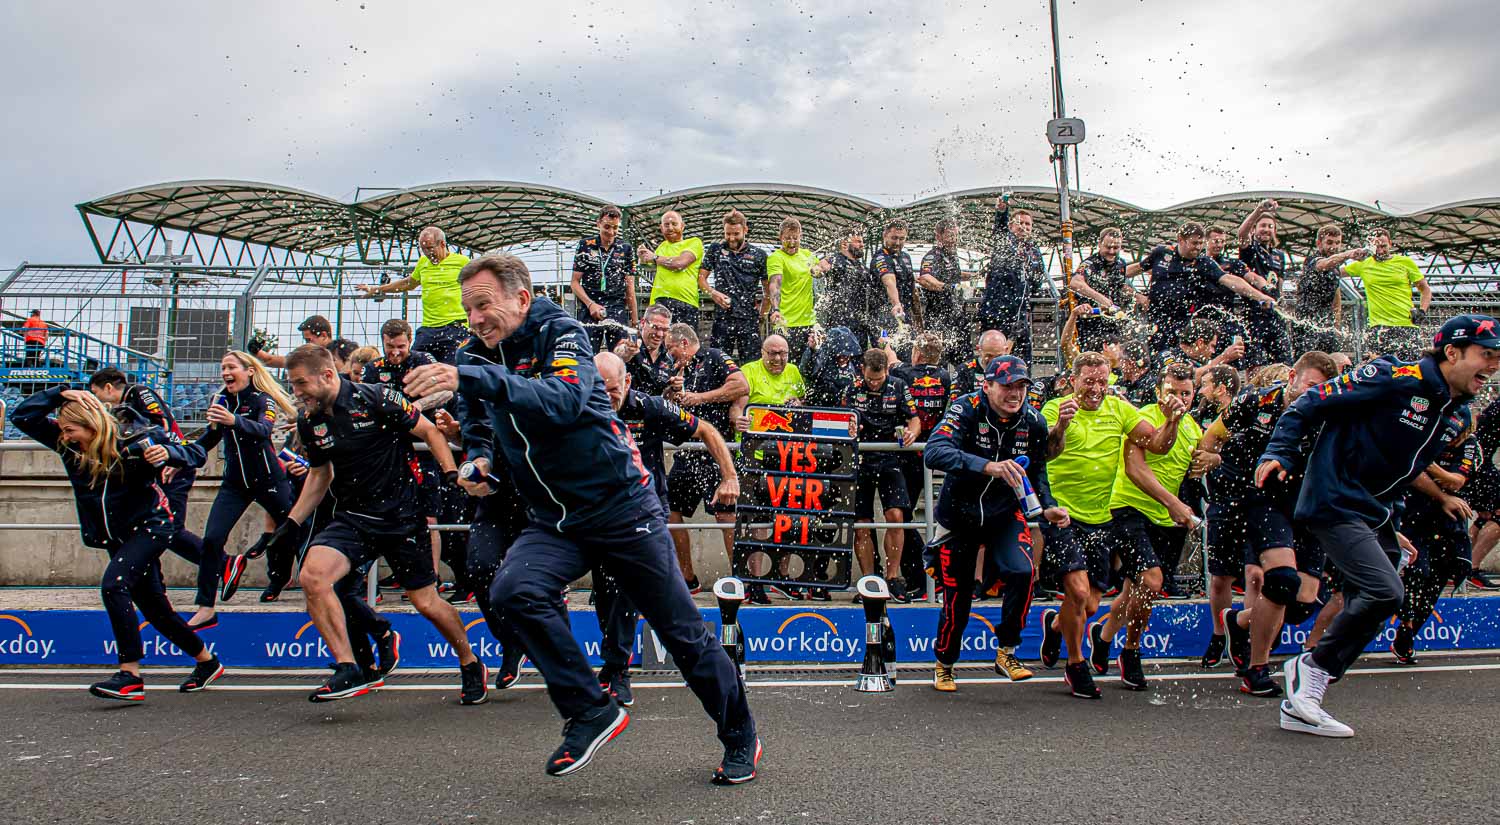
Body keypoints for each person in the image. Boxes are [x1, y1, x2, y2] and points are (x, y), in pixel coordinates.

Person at [409, 253, 759, 782]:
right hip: (554, 518)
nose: (474, 319)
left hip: (622, 509)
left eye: (483, 305)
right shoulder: (471, 355)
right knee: (511, 590)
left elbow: (566, 400)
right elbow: (478, 424)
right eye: (467, 309)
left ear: (520, 299)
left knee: (683, 634)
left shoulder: (560, 332)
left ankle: (740, 734)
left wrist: (475, 379)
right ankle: (590, 709)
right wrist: (478, 458)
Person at [1259, 316, 1497, 736]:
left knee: (1385, 592)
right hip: (1334, 499)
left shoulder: (1454, 412)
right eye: (1487, 355)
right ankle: (1310, 668)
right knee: (1384, 590)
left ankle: (1303, 697)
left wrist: (1393, 524)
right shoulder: (1393, 377)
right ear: (1453, 352)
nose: (1493, 366)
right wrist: (1278, 452)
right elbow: (1308, 403)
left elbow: (1405, 469)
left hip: (1376, 512)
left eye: (1498, 358)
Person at [275, 344, 484, 703]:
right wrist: (291, 522)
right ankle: (348, 667)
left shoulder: (376, 398)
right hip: (353, 519)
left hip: (401, 518)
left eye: (300, 384)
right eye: (293, 386)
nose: (296, 393)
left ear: (327, 375)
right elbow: (320, 473)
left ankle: (469, 662)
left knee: (427, 603)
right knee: (314, 576)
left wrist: (451, 472)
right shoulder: (309, 421)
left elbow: (431, 432)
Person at [12, 387, 221, 700]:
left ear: (93, 427)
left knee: (114, 585)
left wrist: (168, 454)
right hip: (115, 535)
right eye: (63, 431)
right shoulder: (67, 445)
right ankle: (207, 662)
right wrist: (60, 394)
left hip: (151, 527)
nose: (66, 437)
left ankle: (129, 674)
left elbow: (195, 454)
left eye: (72, 431)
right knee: (154, 607)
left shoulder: (135, 439)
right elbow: (22, 416)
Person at [595, 351, 738, 702]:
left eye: (612, 390)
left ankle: (619, 669)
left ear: (627, 383)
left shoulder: (649, 407)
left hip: (645, 514)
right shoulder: (580, 406)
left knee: (632, 587)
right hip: (600, 514)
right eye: (596, 388)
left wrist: (730, 476)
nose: (604, 397)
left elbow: (706, 429)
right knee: (604, 594)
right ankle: (613, 663)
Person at [1038, 352, 1182, 699]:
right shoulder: (1054, 409)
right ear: (1073, 380)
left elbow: (1158, 445)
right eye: (1089, 381)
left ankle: (1056, 626)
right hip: (1063, 516)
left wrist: (1173, 420)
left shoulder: (1119, 409)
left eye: (1102, 381)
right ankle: (1076, 664)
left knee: (1088, 607)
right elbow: (1045, 454)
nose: (1096, 389)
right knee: (1079, 593)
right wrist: (1061, 426)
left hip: (1101, 518)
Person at [924, 355, 1070, 690]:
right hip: (959, 516)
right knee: (957, 597)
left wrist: (1047, 507)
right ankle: (944, 662)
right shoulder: (966, 408)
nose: (1015, 394)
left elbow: (1037, 471)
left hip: (1004, 514)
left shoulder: (1032, 420)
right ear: (987, 385)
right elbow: (935, 451)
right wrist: (988, 466)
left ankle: (1007, 650)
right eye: (1007, 386)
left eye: (1021, 386)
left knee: (1022, 571)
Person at [1192, 352, 1335, 692]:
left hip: (1308, 502)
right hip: (1264, 500)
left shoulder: (1329, 412)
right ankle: (1257, 670)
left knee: (1302, 604)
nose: (1316, 392)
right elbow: (1211, 438)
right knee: (1280, 581)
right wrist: (1217, 460)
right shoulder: (1256, 401)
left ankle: (1239, 622)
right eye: (1312, 385)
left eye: (1323, 388)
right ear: (1292, 379)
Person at [1091, 364, 1202, 689]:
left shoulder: (1193, 428)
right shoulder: (1142, 419)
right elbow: (1136, 470)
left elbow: (1203, 456)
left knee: (1135, 589)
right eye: (1172, 392)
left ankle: (1105, 634)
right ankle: (1131, 650)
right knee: (1151, 582)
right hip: (1129, 507)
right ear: (1158, 392)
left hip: (1167, 518)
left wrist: (1214, 459)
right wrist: (1173, 502)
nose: (1179, 399)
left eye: (1186, 393)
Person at [87, 369, 217, 628]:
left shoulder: (139, 393)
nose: (99, 399)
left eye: (97, 393)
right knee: (160, 529)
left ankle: (219, 563)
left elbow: (162, 425)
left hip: (173, 463)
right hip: (164, 463)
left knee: (168, 529)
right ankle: (162, 586)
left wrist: (170, 455)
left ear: (110, 387)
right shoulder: (125, 409)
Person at [201, 352, 302, 605]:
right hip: (234, 485)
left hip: (269, 480)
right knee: (212, 538)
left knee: (291, 531)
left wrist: (234, 420)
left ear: (249, 371)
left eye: (231, 367)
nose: (226, 372)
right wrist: (176, 455)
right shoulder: (221, 400)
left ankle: (279, 579)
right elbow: (208, 440)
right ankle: (204, 601)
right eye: (223, 367)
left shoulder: (262, 400)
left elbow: (263, 430)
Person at [663, 323, 749, 595]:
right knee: (668, 511)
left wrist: (699, 398)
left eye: (671, 349)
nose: (669, 354)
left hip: (715, 451)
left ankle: (741, 581)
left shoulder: (714, 356)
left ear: (685, 344)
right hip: (687, 450)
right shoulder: (678, 369)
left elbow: (740, 385)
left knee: (725, 516)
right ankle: (688, 579)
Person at [362, 318, 448, 580]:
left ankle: (431, 578)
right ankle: (395, 577)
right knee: (388, 515)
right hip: (388, 452)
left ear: (410, 341)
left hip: (424, 449)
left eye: (401, 345)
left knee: (430, 518)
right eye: (390, 346)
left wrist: (414, 409)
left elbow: (446, 392)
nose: (395, 351)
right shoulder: (373, 368)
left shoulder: (423, 360)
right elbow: (366, 403)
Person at [1393, 433, 1478, 664]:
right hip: (1415, 516)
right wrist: (1442, 493)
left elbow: (1456, 481)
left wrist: (1430, 466)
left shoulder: (1470, 443)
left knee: (1445, 575)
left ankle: (1410, 631)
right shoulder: (1428, 433)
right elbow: (1411, 471)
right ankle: (1407, 623)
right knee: (1417, 572)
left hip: (1450, 521)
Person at [844, 349, 921, 601]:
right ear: (862, 371)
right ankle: (868, 580)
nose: (874, 383)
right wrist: (850, 428)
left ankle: (893, 577)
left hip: (890, 459)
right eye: (870, 379)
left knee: (895, 516)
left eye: (878, 379)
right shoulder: (851, 388)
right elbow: (839, 421)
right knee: (862, 525)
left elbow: (915, 419)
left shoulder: (899, 386)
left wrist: (912, 433)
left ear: (886, 371)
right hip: (860, 460)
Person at [1141, 222, 1274, 354]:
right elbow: (1130, 270)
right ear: (1180, 240)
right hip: (1155, 320)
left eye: (1201, 243)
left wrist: (1262, 297)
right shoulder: (1161, 253)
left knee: (1178, 364)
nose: (1198, 248)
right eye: (1194, 243)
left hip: (1183, 323)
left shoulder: (1203, 263)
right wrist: (1135, 294)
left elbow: (1230, 280)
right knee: (1153, 360)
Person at [891, 333, 953, 596]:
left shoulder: (904, 372)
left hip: (908, 452)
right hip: (928, 450)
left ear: (916, 353)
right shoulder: (946, 376)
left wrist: (887, 346)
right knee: (904, 517)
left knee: (902, 518)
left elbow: (891, 361)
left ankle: (926, 574)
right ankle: (925, 576)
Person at [355, 227, 472, 364]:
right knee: (411, 364)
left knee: (453, 368)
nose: (428, 253)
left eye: (430, 248)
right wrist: (378, 289)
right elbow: (408, 283)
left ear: (442, 244)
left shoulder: (462, 262)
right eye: (424, 249)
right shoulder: (423, 263)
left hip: (455, 327)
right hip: (429, 328)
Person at [1344, 228, 1432, 360]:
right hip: (1379, 328)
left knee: (1411, 372)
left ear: (1390, 243)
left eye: (1384, 246)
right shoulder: (1363, 264)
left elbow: (1425, 289)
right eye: (1376, 247)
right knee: (1381, 373)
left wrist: (1422, 311)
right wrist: (1347, 255)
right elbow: (1334, 273)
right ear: (1370, 247)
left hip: (1406, 325)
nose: (1380, 251)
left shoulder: (1405, 262)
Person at [979, 196, 1044, 364]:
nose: (1023, 226)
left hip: (1020, 316)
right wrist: (1002, 212)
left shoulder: (1034, 250)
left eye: (1027, 224)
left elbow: (1037, 281)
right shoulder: (1004, 242)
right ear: (1011, 226)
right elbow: (999, 229)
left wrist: (1029, 306)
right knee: (996, 358)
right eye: (1019, 222)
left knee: (1023, 360)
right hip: (996, 313)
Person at [699, 209, 768, 362]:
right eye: (728, 233)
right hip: (722, 318)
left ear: (745, 229)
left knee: (751, 364)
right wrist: (712, 293)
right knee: (718, 362)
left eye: (736, 234)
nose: (731, 238)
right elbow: (701, 279)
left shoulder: (759, 255)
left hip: (749, 319)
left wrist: (761, 316)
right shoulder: (715, 250)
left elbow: (767, 290)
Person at [571, 205, 638, 353]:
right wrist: (590, 305)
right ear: (598, 223)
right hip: (589, 307)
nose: (611, 232)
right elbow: (574, 283)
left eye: (615, 228)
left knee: (619, 355)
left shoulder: (625, 248)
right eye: (607, 226)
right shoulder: (585, 246)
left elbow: (630, 287)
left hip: (616, 308)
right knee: (586, 354)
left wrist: (635, 321)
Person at [1236, 201, 1293, 367]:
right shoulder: (1250, 249)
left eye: (1270, 226)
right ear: (1254, 229)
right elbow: (1241, 233)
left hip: (1274, 315)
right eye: (1262, 226)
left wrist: (1281, 304)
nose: (1266, 229)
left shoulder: (1279, 255)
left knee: (1284, 362)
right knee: (1256, 363)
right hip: (1254, 315)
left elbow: (1279, 283)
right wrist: (1258, 210)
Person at [1298, 224, 1367, 353]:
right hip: (1306, 323)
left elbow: (1336, 300)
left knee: (1333, 362)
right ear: (1319, 243)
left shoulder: (1335, 269)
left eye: (1337, 243)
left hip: (1326, 324)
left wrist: (1337, 326)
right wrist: (1348, 254)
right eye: (1329, 242)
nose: (1333, 247)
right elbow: (1325, 264)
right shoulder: (1312, 260)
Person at [766, 217, 827, 362]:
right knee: (787, 365)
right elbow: (775, 284)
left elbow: (819, 272)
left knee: (811, 364)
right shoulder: (776, 257)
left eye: (795, 238)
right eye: (787, 238)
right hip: (786, 324)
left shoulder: (807, 255)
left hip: (809, 322)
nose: (792, 242)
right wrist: (775, 309)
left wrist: (821, 269)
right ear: (780, 237)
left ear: (801, 236)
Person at [1070, 228, 1138, 353]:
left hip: (1114, 325)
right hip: (1091, 324)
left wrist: (1130, 294)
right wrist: (1099, 297)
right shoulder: (1090, 263)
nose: (1112, 251)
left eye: (1116, 248)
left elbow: (1120, 286)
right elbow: (1075, 282)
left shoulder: (1121, 263)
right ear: (1099, 244)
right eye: (1108, 247)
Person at [641, 210, 705, 330]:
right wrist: (643, 256)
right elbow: (649, 264)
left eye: (674, 224)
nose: (670, 228)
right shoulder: (661, 247)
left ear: (682, 226)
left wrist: (654, 257)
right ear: (661, 228)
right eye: (666, 225)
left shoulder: (694, 242)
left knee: (684, 345)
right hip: (658, 303)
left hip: (685, 302)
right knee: (659, 344)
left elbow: (680, 263)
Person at [918, 218, 969, 364]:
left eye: (956, 236)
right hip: (938, 316)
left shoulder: (952, 255)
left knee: (965, 359)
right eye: (950, 235)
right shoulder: (932, 255)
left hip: (957, 316)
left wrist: (974, 276)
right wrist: (947, 287)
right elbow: (924, 277)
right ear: (938, 236)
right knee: (939, 360)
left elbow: (954, 274)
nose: (954, 240)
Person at [822, 226, 873, 349]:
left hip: (860, 325)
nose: (862, 245)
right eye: (858, 241)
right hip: (839, 324)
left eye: (862, 242)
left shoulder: (862, 268)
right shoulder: (834, 260)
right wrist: (818, 269)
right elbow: (821, 265)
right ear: (845, 244)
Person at [731, 333, 806, 416]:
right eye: (772, 353)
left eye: (782, 353)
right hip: (755, 427)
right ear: (762, 353)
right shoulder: (748, 371)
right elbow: (736, 408)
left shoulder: (793, 370)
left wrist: (799, 405)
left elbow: (803, 402)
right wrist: (739, 419)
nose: (777, 358)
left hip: (786, 426)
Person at [614, 304, 675, 395]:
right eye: (655, 327)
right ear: (642, 323)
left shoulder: (668, 358)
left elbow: (664, 398)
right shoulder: (631, 344)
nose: (660, 334)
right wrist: (627, 352)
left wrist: (674, 389)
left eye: (665, 329)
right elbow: (618, 355)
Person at [1160, 318, 1244, 382]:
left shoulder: (1202, 362)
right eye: (1212, 346)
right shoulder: (1168, 355)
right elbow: (1181, 380)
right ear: (1200, 343)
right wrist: (1223, 357)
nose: (1213, 351)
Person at [871, 220, 919, 332]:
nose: (897, 243)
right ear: (885, 235)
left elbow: (912, 289)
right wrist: (896, 303)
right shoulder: (880, 257)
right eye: (894, 238)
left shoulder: (906, 257)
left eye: (902, 239)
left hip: (904, 315)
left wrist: (918, 319)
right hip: (884, 317)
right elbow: (889, 282)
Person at [799, 326, 863, 407]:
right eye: (839, 356)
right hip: (820, 404)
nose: (843, 359)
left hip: (843, 407)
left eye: (846, 355)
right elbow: (805, 371)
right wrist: (812, 350)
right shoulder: (823, 359)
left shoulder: (854, 364)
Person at [249, 315, 333, 369]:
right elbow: (270, 361)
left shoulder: (339, 353)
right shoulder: (309, 356)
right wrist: (256, 351)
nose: (307, 344)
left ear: (323, 335)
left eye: (309, 340)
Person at [950, 329, 1013, 401]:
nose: (993, 361)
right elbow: (956, 404)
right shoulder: (964, 370)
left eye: (998, 356)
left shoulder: (1013, 369)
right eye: (988, 355)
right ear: (979, 349)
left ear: (1006, 350)